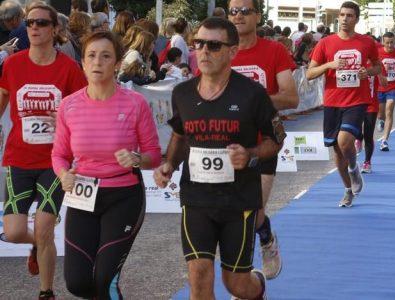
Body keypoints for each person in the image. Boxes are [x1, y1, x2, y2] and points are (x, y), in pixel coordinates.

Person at [153, 17, 282, 300]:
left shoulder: (253, 94)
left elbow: (276, 140)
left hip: (239, 202)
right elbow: (180, 135)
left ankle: (257, 286)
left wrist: (249, 154)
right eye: (199, 43)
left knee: (236, 285)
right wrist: (169, 165)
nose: (204, 51)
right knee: (198, 278)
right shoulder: (182, 93)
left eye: (213, 45)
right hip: (196, 199)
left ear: (232, 51)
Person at [51, 31, 161, 299]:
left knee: (105, 279)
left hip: (123, 196)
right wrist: (64, 174)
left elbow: (154, 155)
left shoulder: (135, 103)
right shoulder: (69, 105)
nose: (97, 62)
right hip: (82, 197)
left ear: (117, 63)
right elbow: (59, 155)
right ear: (83, 63)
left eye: (105, 56)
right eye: (91, 55)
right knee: (77, 283)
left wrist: (137, 159)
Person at [0, 3, 87, 299]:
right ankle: (37, 243)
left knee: (46, 227)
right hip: (18, 158)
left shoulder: (69, 69)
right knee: (12, 231)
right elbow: (2, 98)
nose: (33, 28)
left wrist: (62, 117)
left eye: (40, 23)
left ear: (55, 30)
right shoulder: (12, 65)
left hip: (56, 160)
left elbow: (83, 112)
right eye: (29, 23)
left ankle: (46, 292)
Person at [228, 0, 299, 280]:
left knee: (251, 213)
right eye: (233, 11)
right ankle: (242, 279)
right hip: (226, 146)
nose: (238, 16)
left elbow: (291, 97)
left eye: (245, 11)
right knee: (233, 216)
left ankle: (265, 240)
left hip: (263, 144)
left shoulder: (274, 51)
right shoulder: (220, 50)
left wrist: (253, 102)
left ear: (257, 16)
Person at [306, 1, 381, 207]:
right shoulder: (325, 43)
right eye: (342, 15)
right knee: (337, 151)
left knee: (345, 140)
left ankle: (354, 166)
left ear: (356, 19)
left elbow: (378, 67)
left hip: (357, 100)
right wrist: (329, 65)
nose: (345, 19)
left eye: (349, 15)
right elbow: (310, 73)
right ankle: (348, 190)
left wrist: (369, 72)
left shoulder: (366, 42)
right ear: (338, 18)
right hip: (333, 102)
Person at [376, 32, 395, 151]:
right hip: (380, 86)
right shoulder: (377, 52)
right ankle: (381, 120)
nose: (390, 45)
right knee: (381, 114)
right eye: (387, 42)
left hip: (393, 86)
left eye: (392, 42)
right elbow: (372, 66)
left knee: (389, 110)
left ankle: (384, 141)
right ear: (383, 42)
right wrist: (381, 70)